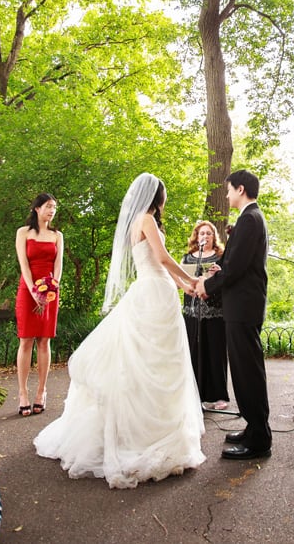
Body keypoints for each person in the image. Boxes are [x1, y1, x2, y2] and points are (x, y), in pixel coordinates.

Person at [34, 172, 205, 488]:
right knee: (155, 366)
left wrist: (186, 286)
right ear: (158, 197)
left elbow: (157, 265)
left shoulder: (135, 222)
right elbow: (164, 259)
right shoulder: (148, 220)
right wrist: (193, 281)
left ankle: (142, 431)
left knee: (145, 366)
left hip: (153, 289)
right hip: (155, 295)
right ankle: (146, 437)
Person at [195, 169, 272, 460]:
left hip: (243, 307)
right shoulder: (250, 219)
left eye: (229, 190)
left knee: (248, 371)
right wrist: (220, 271)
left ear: (240, 189)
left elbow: (238, 268)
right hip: (240, 305)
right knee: (242, 371)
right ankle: (253, 428)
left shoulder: (250, 219)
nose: (226, 195)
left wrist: (208, 285)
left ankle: (260, 439)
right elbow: (236, 264)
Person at [15, 193, 63, 416]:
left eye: (54, 207)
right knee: (26, 341)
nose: (51, 211)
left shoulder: (57, 235)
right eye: (48, 206)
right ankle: (23, 393)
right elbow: (23, 265)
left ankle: (41, 392)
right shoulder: (23, 233)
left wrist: (52, 289)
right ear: (36, 208)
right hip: (28, 289)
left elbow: (58, 266)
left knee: (44, 342)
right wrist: (34, 291)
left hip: (50, 291)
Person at [181, 219, 229, 411]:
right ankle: (196, 394)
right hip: (192, 310)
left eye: (208, 233)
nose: (205, 236)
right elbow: (179, 277)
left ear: (214, 237)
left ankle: (219, 396)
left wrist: (220, 271)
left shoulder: (221, 256)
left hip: (215, 310)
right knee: (194, 351)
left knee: (216, 353)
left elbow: (227, 277)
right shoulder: (188, 257)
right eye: (202, 233)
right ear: (196, 236)